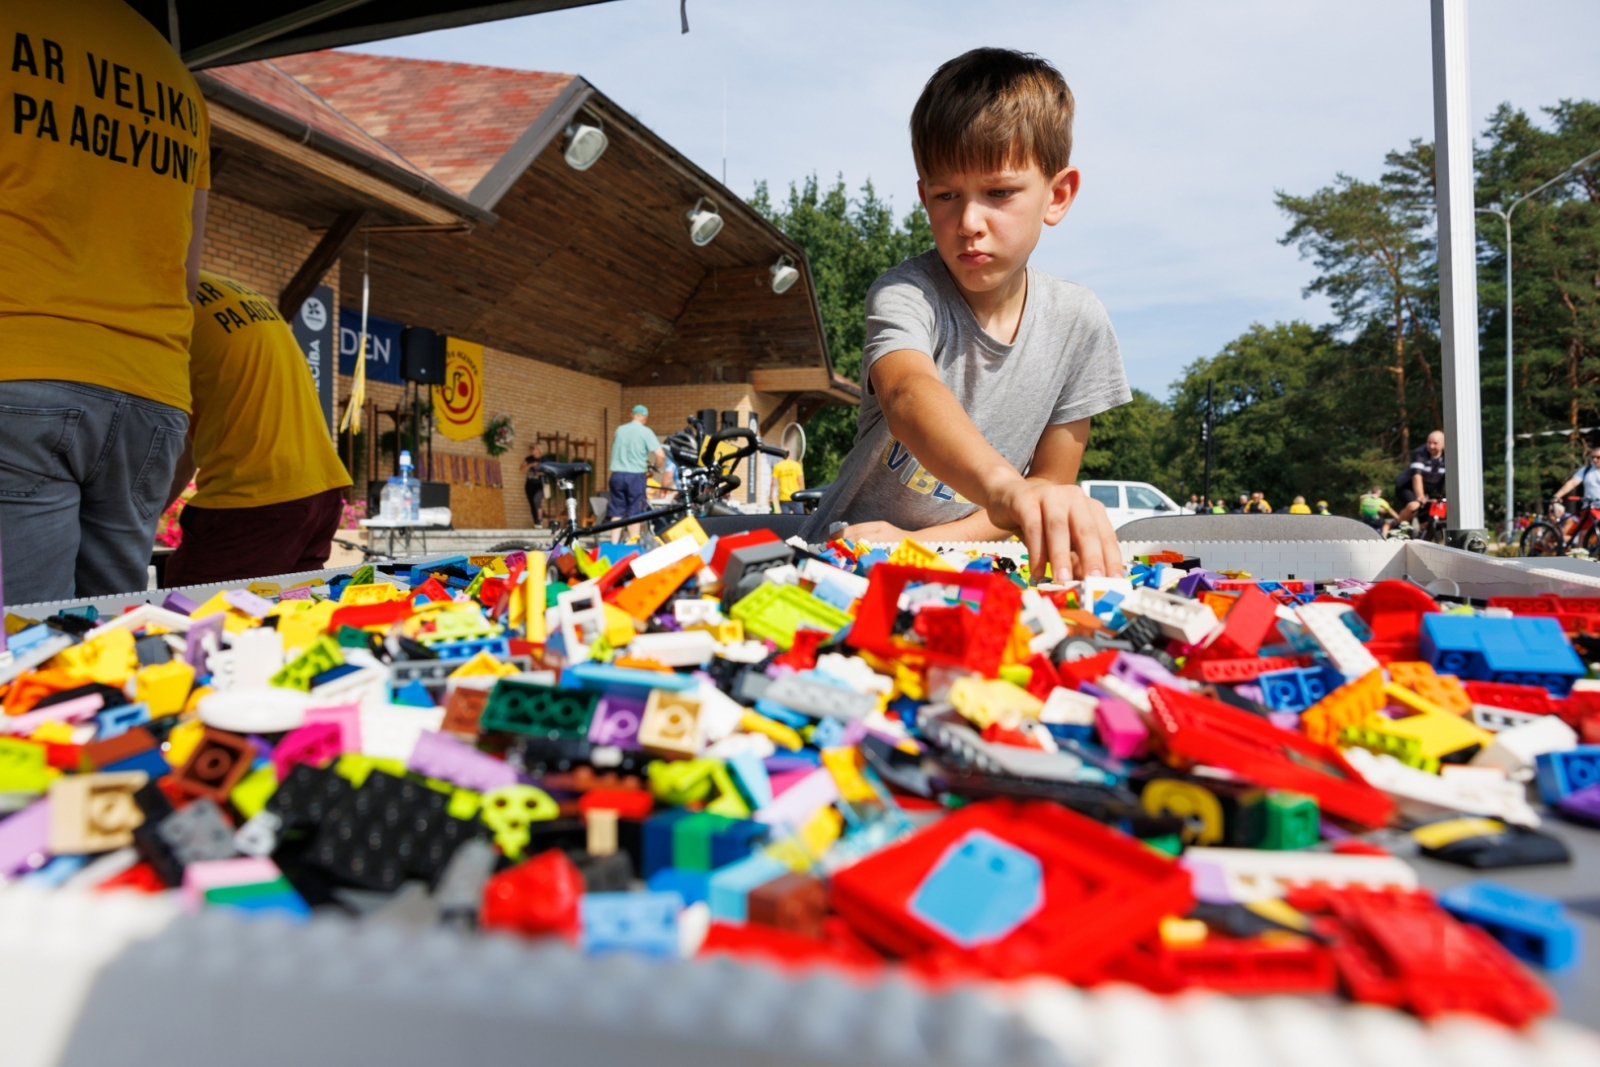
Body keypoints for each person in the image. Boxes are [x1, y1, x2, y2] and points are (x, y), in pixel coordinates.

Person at [796, 50, 1128, 579]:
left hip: (960, 572)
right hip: (841, 563)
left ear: (1058, 195)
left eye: (999, 192)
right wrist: (1004, 488)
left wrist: (919, 546)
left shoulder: (1079, 322)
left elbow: (1046, 488)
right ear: (925, 198)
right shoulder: (906, 293)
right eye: (947, 195)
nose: (969, 221)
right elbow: (907, 393)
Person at [0, 0, 211, 604]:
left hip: (21, 371)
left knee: (24, 649)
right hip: (150, 394)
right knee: (105, 646)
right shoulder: (171, 73)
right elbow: (186, 272)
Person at [161, 273, 352, 585]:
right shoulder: (224, 288)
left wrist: (137, 521)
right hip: (322, 490)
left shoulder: (158, 299)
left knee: (184, 617)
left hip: (255, 500)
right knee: (287, 619)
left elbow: (172, 440)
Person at [608, 405, 664, 538]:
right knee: (635, 511)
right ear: (645, 418)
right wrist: (655, 467)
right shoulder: (645, 432)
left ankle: (614, 543)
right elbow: (660, 455)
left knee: (617, 511)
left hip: (616, 475)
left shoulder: (619, 430)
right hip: (635, 477)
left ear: (631, 415)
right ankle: (633, 544)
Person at [1395, 430, 1446, 525]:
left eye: (1435, 443)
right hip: (1407, 487)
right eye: (1429, 443)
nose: (1431, 446)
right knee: (1415, 506)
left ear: (1444, 443)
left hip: (1427, 489)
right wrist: (1420, 496)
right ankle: (1395, 526)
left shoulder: (1448, 456)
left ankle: (1425, 535)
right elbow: (1416, 476)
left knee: (1435, 513)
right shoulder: (1420, 453)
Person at [1550, 446, 1600, 517]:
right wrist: (1556, 496)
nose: (1595, 460)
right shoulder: (1586, 470)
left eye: (1598, 457)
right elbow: (1571, 483)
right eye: (1593, 457)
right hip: (1589, 510)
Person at [773, 449, 806, 514]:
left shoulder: (777, 466)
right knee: (800, 519)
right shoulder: (796, 465)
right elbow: (800, 482)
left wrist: (771, 496)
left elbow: (773, 483)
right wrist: (803, 496)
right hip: (795, 497)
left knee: (785, 520)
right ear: (789, 454)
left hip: (783, 497)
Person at [519, 444, 546, 527]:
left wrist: (541, 473)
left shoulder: (544, 460)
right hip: (529, 484)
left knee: (536, 500)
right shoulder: (528, 459)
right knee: (532, 503)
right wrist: (531, 465)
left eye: (533, 448)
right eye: (530, 448)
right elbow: (521, 469)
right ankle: (536, 523)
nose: (531, 449)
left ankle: (539, 521)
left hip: (540, 484)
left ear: (538, 449)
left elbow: (549, 471)